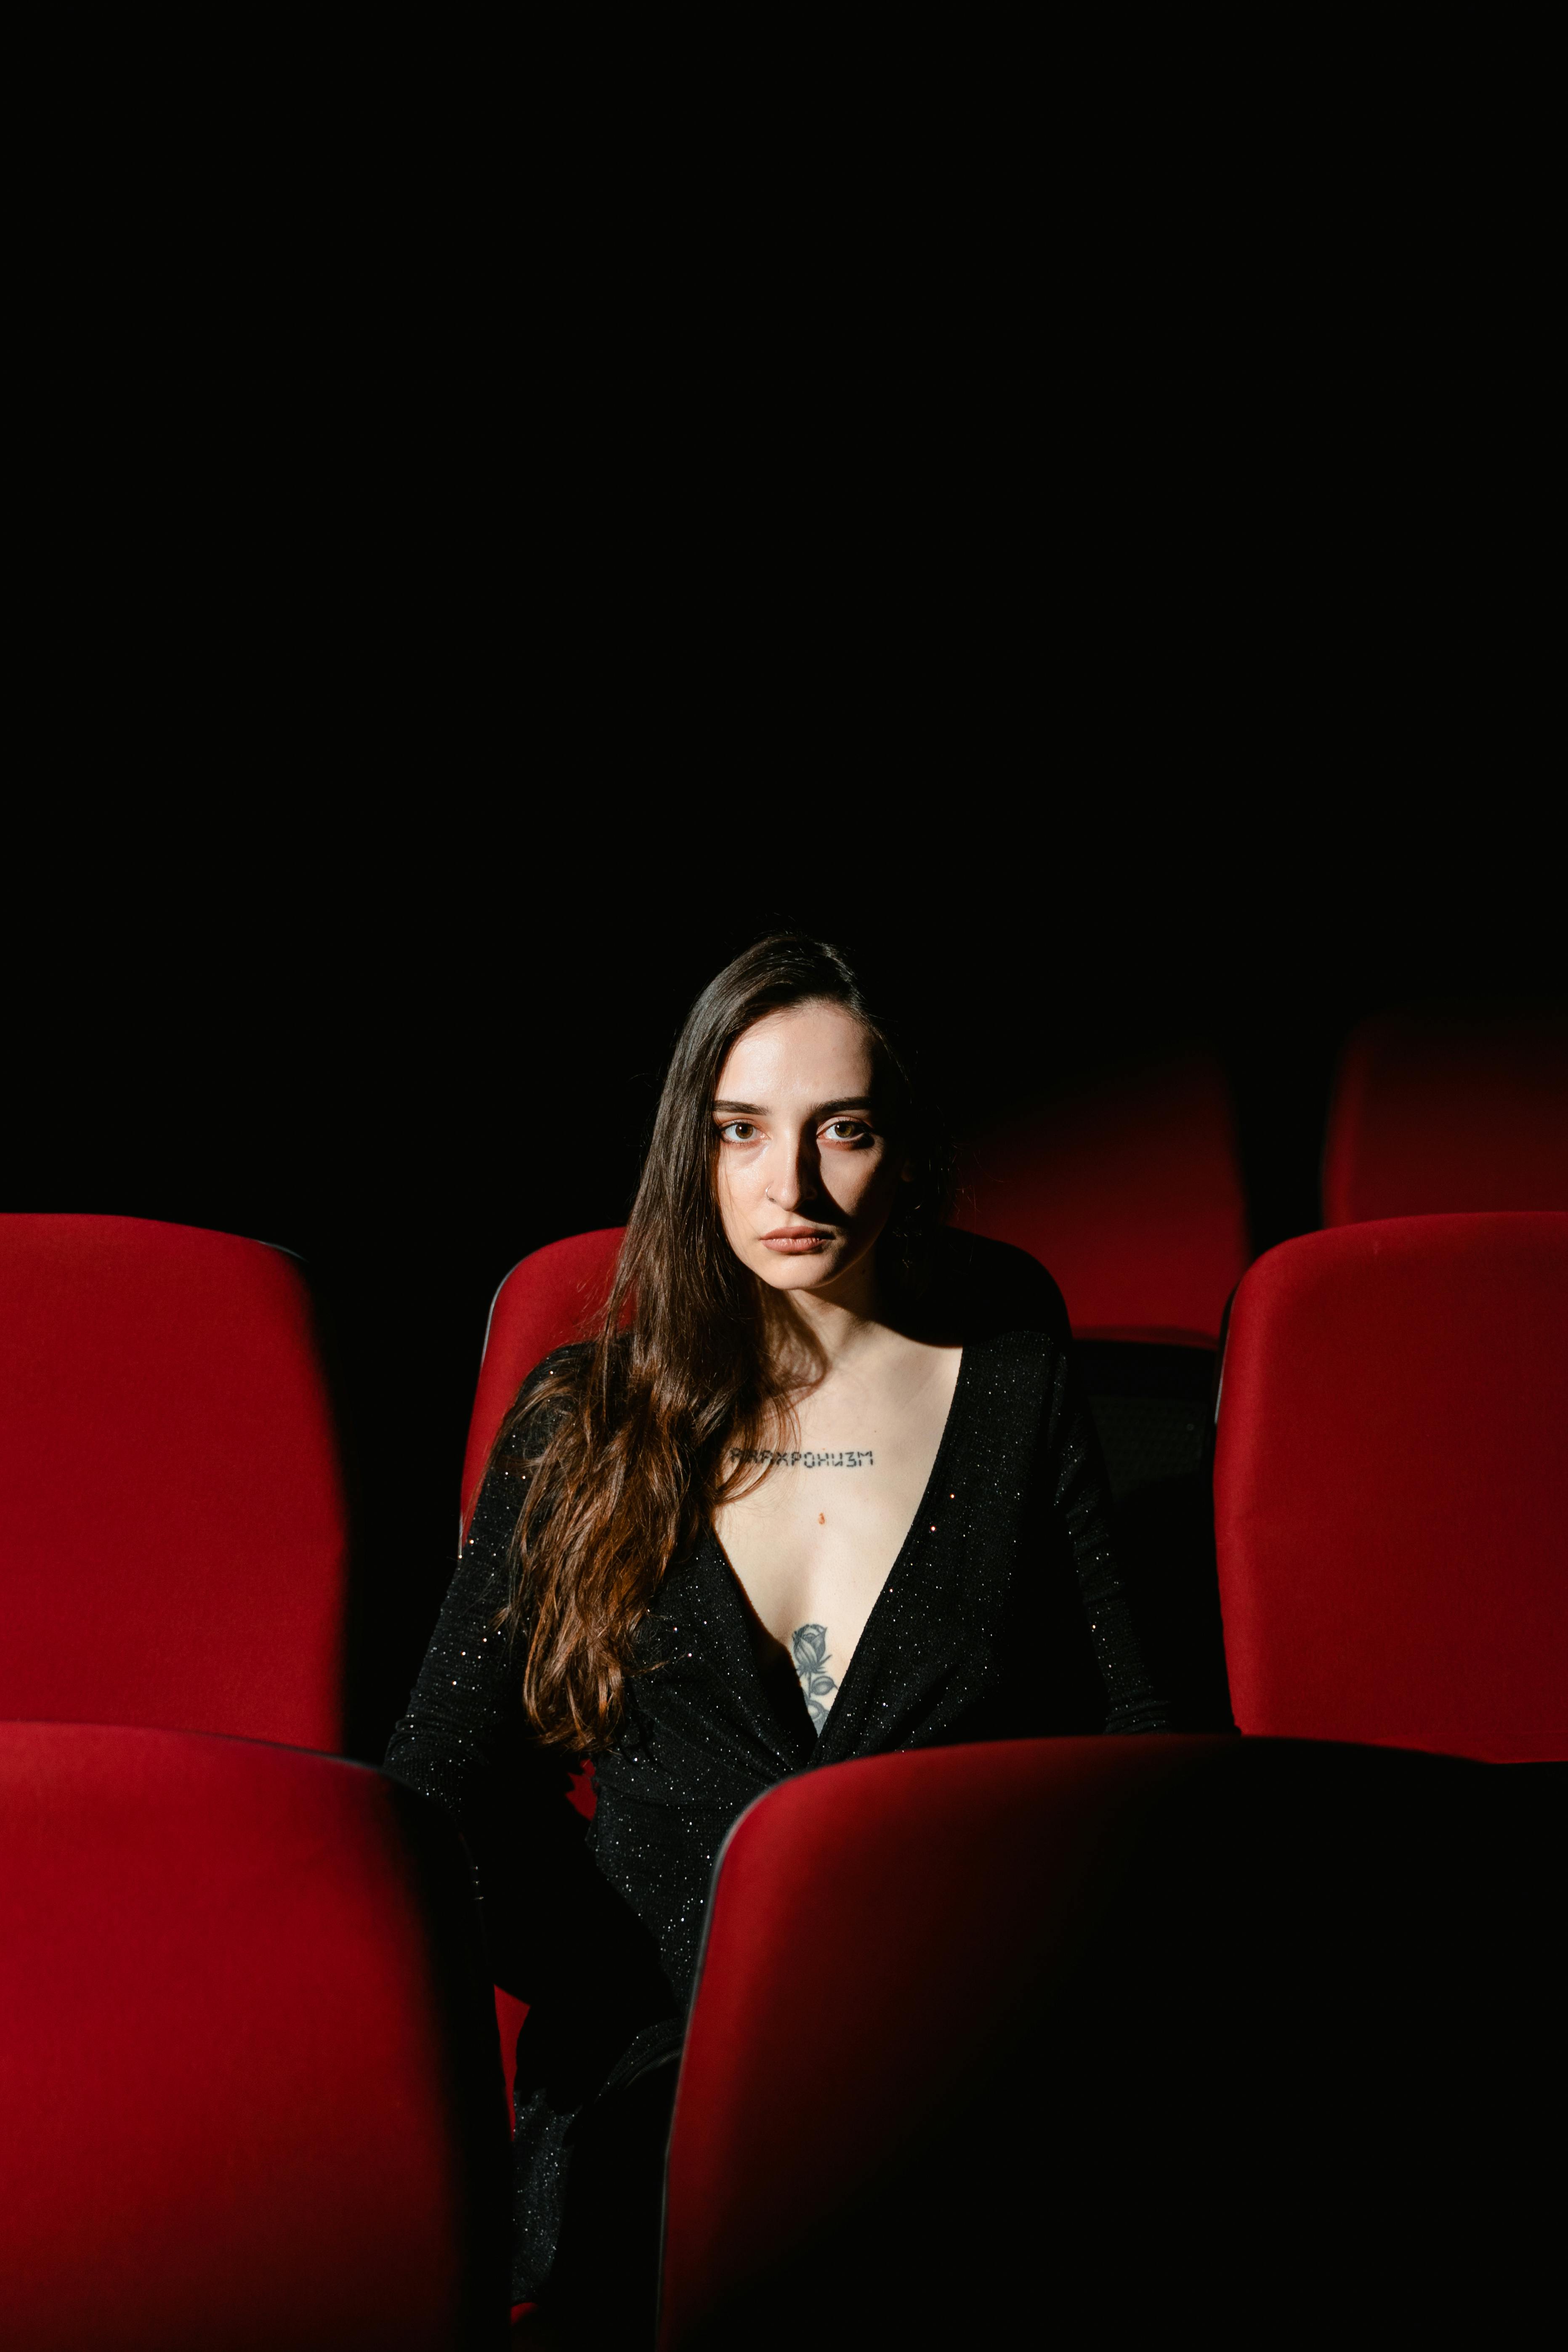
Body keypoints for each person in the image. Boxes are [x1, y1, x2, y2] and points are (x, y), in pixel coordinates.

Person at [385, 934, 1165, 2343]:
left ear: (907, 1150)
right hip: (656, 2081)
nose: (788, 1188)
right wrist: (650, 1964)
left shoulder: (1016, 1386)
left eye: (842, 1133)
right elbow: (441, 1784)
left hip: (957, 2073)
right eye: (742, 1132)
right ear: (693, 1148)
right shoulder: (582, 1418)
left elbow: (1143, 1747)